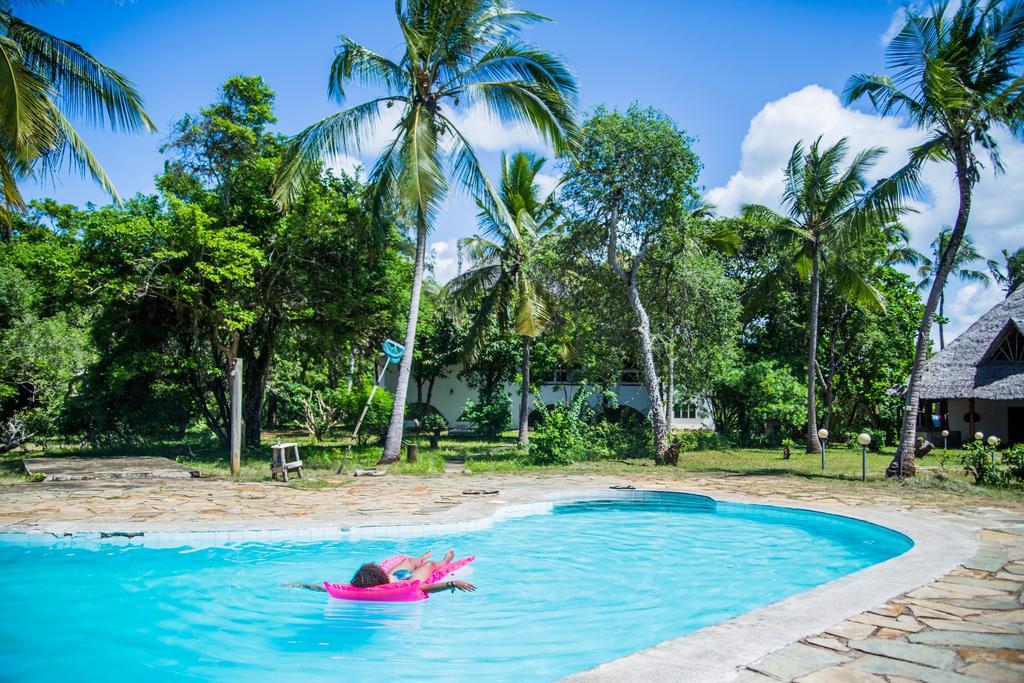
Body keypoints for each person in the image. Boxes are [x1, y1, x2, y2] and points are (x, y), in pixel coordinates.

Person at [287, 549, 476, 594]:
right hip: (398, 577)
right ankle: (424, 560)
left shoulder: (394, 584)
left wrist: (452, 583)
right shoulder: (360, 587)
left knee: (420, 564)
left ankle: (443, 561)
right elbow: (325, 588)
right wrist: (303, 585)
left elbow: (423, 589)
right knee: (418, 564)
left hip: (400, 577)